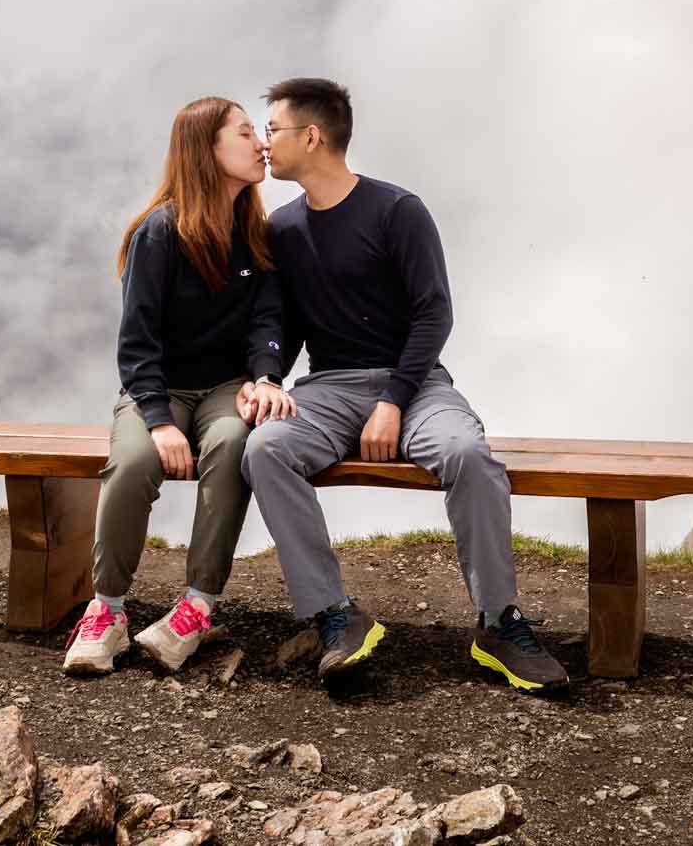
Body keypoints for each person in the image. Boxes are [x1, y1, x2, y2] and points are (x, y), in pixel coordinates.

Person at [237, 77, 569, 690]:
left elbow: (433, 312)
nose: (264, 143)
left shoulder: (396, 210)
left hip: (414, 384)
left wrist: (392, 402)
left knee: (466, 454)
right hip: (328, 388)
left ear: (312, 137)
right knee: (264, 448)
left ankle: (498, 622)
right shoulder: (281, 228)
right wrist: (266, 377)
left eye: (273, 130)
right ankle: (335, 615)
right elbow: (274, 324)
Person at [64, 96, 299, 675]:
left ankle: (196, 607)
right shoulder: (159, 232)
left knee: (231, 445)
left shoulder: (254, 233)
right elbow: (137, 339)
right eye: (246, 133)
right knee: (134, 461)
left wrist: (267, 378)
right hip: (159, 388)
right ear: (207, 149)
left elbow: (269, 320)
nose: (261, 144)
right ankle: (107, 610)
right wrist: (160, 421)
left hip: (226, 387)